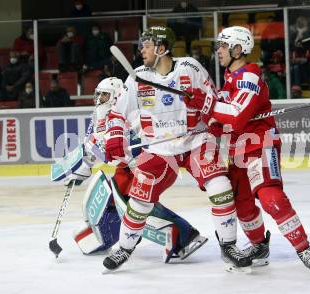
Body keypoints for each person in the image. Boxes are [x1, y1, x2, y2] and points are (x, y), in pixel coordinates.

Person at [102, 26, 252, 272]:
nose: (142, 49)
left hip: (195, 141)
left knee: (220, 187)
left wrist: (214, 125)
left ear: (162, 48)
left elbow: (214, 100)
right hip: (159, 149)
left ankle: (228, 246)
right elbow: (117, 113)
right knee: (140, 201)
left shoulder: (190, 68)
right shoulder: (137, 76)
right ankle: (124, 248)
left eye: (147, 44)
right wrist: (115, 137)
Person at [184, 26, 310, 274]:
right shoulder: (228, 79)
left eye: (223, 46)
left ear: (238, 49)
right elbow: (225, 120)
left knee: (271, 197)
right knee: (243, 203)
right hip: (238, 149)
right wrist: (212, 123)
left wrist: (206, 104)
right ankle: (259, 246)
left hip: (261, 144)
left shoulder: (249, 76)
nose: (218, 50)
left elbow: (237, 116)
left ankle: (304, 249)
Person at [55, 77, 207, 262]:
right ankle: (107, 234)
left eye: (105, 95)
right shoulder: (97, 116)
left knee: (136, 205)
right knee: (111, 198)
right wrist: (82, 168)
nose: (100, 99)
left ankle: (184, 236)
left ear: (117, 96)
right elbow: (93, 145)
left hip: (151, 166)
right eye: (99, 94)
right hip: (126, 169)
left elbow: (124, 148)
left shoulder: (131, 114)